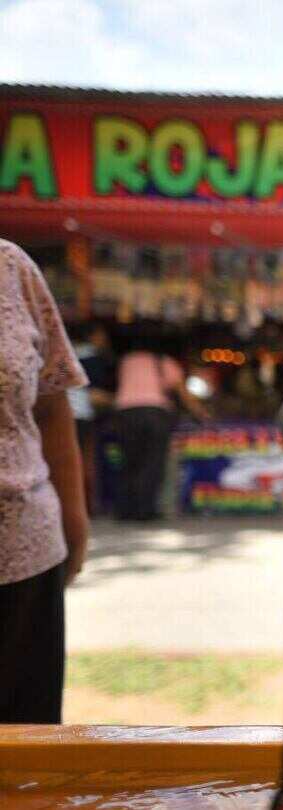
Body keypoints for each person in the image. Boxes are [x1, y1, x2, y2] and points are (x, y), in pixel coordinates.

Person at [0, 239, 89, 723]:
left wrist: (74, 521)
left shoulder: (11, 267)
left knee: (26, 763)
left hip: (26, 560)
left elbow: (53, 403)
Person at [112, 341, 209, 521]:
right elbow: (183, 394)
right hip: (154, 413)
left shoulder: (127, 360)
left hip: (125, 413)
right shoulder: (164, 361)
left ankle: (125, 510)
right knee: (152, 462)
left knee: (129, 461)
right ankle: (145, 510)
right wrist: (201, 414)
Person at [66, 322, 115, 515]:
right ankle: (84, 507)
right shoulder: (92, 357)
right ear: (93, 336)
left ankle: (67, 507)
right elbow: (95, 393)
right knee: (84, 463)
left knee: (63, 461)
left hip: (63, 413)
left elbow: (57, 382)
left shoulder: (63, 357)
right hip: (81, 414)